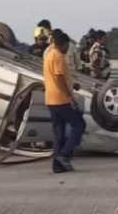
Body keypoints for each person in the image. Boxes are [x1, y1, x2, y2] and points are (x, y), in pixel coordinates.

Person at [43, 29, 86, 173]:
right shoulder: (58, 56)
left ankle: (57, 165)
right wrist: (70, 97)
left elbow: (57, 78)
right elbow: (60, 78)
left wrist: (72, 85)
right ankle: (64, 155)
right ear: (63, 44)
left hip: (50, 99)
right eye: (67, 46)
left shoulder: (48, 54)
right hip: (61, 99)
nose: (68, 49)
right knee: (79, 125)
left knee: (59, 132)